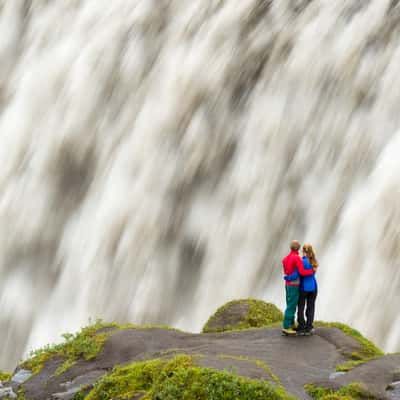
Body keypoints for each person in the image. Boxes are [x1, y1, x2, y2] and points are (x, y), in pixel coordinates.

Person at [281, 240, 314, 335]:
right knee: (291, 306)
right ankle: (286, 326)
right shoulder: (297, 258)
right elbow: (302, 272)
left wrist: (288, 277)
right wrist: (311, 271)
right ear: (298, 248)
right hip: (294, 285)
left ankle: (291, 324)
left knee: (289, 303)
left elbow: (287, 272)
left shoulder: (285, 258)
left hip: (287, 284)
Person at [297, 243, 318, 335]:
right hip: (313, 287)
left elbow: (299, 274)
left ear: (303, 251)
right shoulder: (314, 261)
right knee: (311, 307)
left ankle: (301, 326)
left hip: (304, 287)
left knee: (301, 306)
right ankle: (309, 326)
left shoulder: (301, 261)